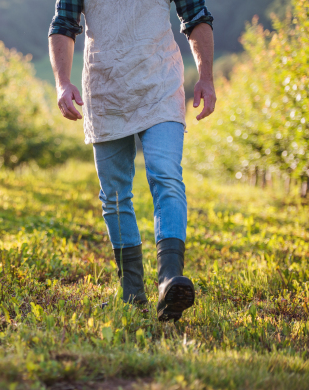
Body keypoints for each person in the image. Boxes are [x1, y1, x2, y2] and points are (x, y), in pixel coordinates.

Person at [49, 0, 216, 321]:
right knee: (113, 193)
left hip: (160, 82)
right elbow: (63, 25)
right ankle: (132, 293)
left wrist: (206, 77)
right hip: (105, 86)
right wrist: (62, 82)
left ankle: (169, 280)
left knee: (166, 175)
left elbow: (196, 18)